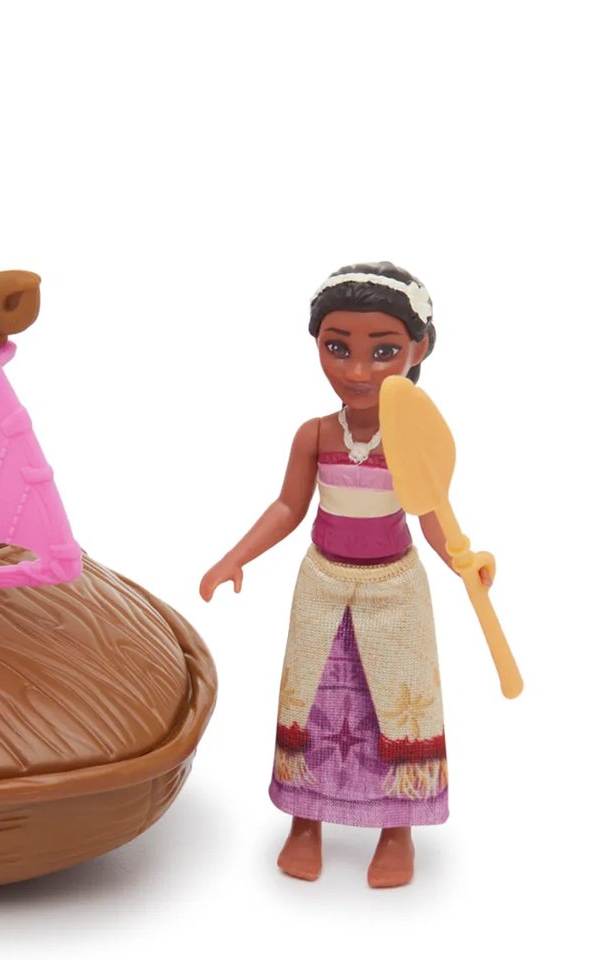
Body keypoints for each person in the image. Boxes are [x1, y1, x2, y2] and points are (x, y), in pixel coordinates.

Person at [199, 262, 492, 888]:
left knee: (399, 707)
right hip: (323, 586)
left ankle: (397, 830)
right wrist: (235, 557)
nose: (358, 371)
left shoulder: (412, 441)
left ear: (418, 350)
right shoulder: (316, 435)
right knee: (310, 700)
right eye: (338, 348)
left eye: (382, 351)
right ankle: (305, 822)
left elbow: (434, 516)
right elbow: (288, 507)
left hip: (394, 591)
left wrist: (465, 564)